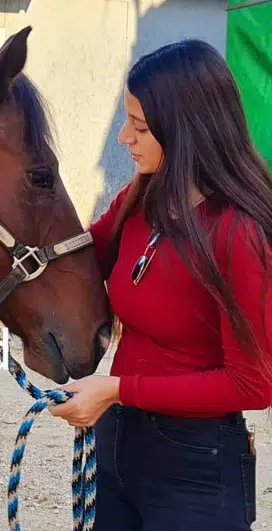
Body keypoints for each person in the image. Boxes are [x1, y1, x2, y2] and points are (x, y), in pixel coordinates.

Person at [49, 38, 272, 530]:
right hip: (118, 443)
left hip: (196, 469)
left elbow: (253, 384)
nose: (123, 137)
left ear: (187, 128)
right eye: (126, 119)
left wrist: (117, 389)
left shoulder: (238, 233)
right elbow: (73, 263)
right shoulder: (141, 197)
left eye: (141, 126)